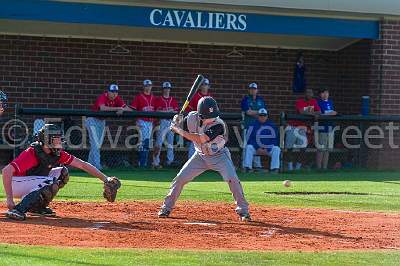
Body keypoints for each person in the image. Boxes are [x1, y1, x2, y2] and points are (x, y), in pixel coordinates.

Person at [158, 96, 251, 221]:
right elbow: (180, 125)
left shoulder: (219, 125)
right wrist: (177, 121)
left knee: (232, 179)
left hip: (219, 157)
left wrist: (178, 130)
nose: (213, 118)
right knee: (180, 179)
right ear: (200, 116)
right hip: (200, 156)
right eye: (209, 116)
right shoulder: (191, 118)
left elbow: (200, 138)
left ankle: (243, 211)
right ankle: (166, 208)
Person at [2, 124, 121, 221]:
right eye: (55, 138)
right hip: (16, 183)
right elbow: (6, 171)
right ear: (46, 139)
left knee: (62, 173)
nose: (59, 141)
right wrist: (9, 199)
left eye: (59, 138)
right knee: (50, 181)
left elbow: (82, 164)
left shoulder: (57, 153)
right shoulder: (32, 153)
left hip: (32, 181)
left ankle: (37, 207)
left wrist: (106, 179)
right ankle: (18, 209)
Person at [85, 84, 129, 170]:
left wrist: (123, 109)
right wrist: (118, 108)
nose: (114, 94)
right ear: (108, 92)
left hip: (102, 121)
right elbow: (102, 108)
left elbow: (126, 108)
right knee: (95, 144)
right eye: (112, 92)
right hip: (92, 120)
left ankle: (88, 166)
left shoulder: (117, 99)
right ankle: (97, 167)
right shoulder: (103, 97)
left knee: (97, 144)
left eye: (116, 92)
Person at [285, 88, 320, 171]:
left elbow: (319, 112)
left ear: (312, 94)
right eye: (307, 92)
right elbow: (301, 112)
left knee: (303, 148)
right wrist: (312, 114)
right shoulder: (300, 101)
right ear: (305, 94)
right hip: (293, 126)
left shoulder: (314, 102)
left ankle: (297, 168)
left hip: (303, 128)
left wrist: (312, 113)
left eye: (310, 92)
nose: (309, 94)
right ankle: (290, 168)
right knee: (289, 148)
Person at [243, 108, 280, 173]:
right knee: (249, 147)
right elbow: (249, 139)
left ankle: (274, 169)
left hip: (268, 149)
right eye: (260, 115)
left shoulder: (272, 125)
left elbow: (275, 140)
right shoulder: (252, 125)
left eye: (264, 115)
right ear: (258, 116)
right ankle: (248, 168)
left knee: (276, 149)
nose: (262, 117)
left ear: (267, 116)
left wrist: (267, 149)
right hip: (256, 149)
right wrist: (257, 148)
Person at [130, 79, 157, 167]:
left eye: (149, 86)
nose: (148, 87)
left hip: (150, 123)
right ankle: (142, 163)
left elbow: (156, 110)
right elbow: (133, 109)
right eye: (146, 86)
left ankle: (142, 163)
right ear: (143, 87)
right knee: (143, 143)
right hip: (142, 121)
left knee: (146, 143)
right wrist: (137, 121)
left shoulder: (153, 98)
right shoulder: (139, 97)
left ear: (151, 87)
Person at [152, 81, 179, 169]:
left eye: (168, 88)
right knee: (159, 143)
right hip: (162, 122)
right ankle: (156, 162)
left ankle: (170, 161)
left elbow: (176, 112)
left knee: (170, 143)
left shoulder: (173, 100)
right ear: (162, 89)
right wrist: (168, 111)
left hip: (171, 122)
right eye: (165, 88)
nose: (167, 90)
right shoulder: (158, 99)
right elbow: (157, 111)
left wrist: (169, 111)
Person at [240, 82, 266, 171]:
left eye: (254, 89)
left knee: (258, 145)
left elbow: (263, 112)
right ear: (249, 90)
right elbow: (248, 112)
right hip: (248, 126)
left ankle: (257, 166)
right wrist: (258, 112)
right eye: (251, 89)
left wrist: (254, 112)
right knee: (246, 146)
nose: (253, 90)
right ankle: (245, 165)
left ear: (257, 90)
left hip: (258, 127)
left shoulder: (260, 100)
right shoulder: (246, 99)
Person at [185, 78, 211, 158]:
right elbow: (188, 110)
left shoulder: (210, 97)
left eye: (206, 85)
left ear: (208, 86)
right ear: (200, 86)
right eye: (203, 85)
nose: (204, 86)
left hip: (207, 122)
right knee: (195, 141)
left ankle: (203, 161)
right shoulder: (196, 96)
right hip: (196, 122)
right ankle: (191, 159)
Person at [316, 88, 337, 170]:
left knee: (328, 149)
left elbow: (332, 112)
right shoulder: (318, 103)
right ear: (320, 94)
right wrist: (329, 113)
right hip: (322, 128)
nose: (325, 94)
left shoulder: (330, 102)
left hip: (330, 128)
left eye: (327, 93)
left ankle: (324, 168)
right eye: (323, 93)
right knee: (321, 149)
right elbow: (320, 113)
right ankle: (318, 167)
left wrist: (333, 113)